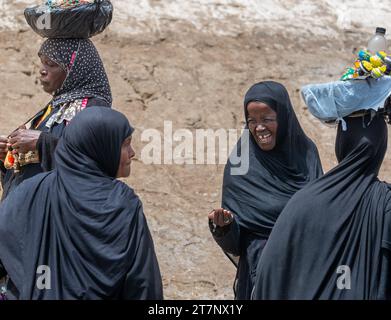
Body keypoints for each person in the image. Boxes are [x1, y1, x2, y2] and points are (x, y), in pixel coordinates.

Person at [0, 107, 163, 300]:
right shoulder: (122, 203)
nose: (132, 153)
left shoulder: (33, 189)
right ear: (100, 147)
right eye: (125, 145)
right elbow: (142, 280)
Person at [253, 111, 391, 300]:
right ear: (380, 147)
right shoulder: (385, 203)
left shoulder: (301, 201)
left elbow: (271, 275)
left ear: (341, 145)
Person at [208, 81, 323, 299]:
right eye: (252, 121)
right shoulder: (240, 166)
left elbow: (321, 217)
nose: (259, 128)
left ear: (284, 118)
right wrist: (224, 229)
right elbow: (237, 245)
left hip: (303, 273)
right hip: (258, 277)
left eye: (267, 119)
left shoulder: (307, 154)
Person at [0, 38, 112, 200]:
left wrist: (41, 142)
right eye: (42, 63)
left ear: (75, 69)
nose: (42, 70)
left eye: (51, 64)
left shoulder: (93, 108)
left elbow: (94, 163)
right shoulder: (52, 110)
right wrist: (7, 157)